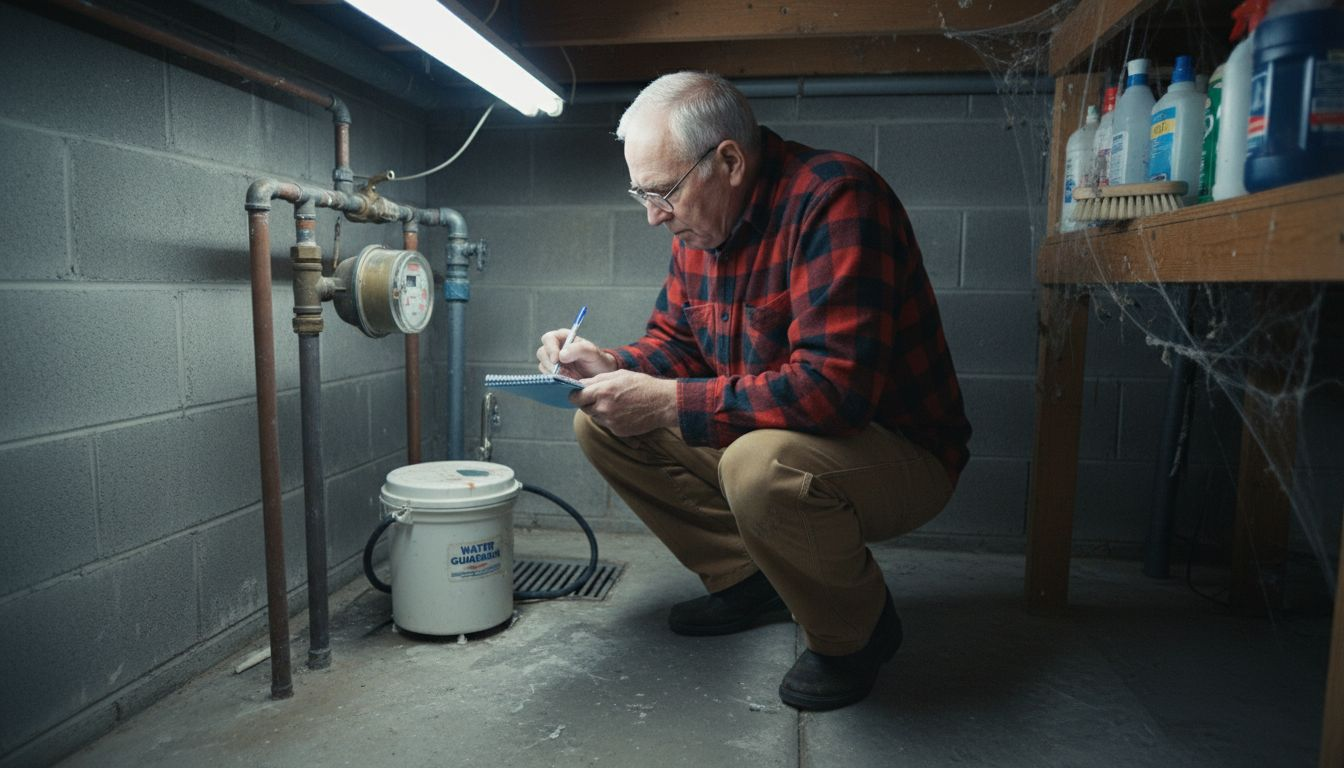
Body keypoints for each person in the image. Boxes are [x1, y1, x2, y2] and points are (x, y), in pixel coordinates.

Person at [535, 71, 971, 711]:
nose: (654, 217)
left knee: (759, 467)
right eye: (641, 195)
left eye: (663, 194)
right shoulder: (700, 228)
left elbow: (835, 393)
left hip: (900, 451)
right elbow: (678, 346)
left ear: (729, 161)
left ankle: (857, 631)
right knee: (600, 421)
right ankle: (749, 580)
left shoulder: (836, 200)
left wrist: (664, 401)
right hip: (782, 438)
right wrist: (607, 363)